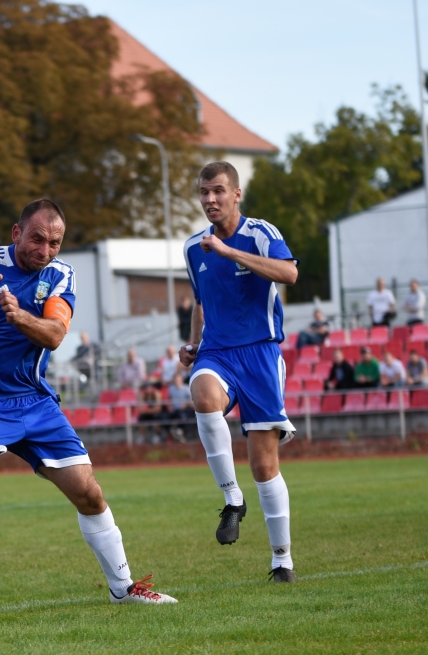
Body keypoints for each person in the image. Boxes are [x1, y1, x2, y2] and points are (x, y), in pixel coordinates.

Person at [0, 199, 177, 621]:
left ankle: (123, 589)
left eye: (54, 242)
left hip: (35, 401)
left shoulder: (60, 275)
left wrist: (19, 319)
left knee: (89, 493)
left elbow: (54, 334)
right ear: (17, 234)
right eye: (37, 239)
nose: (45, 250)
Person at [180, 161, 300, 583]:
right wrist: (193, 346)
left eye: (217, 191)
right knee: (204, 397)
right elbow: (200, 302)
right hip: (217, 352)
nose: (209, 199)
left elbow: (290, 273)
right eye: (203, 192)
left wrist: (231, 253)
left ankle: (281, 559)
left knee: (265, 465)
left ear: (236, 194)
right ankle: (232, 500)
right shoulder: (194, 248)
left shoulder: (261, 234)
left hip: (261, 355)